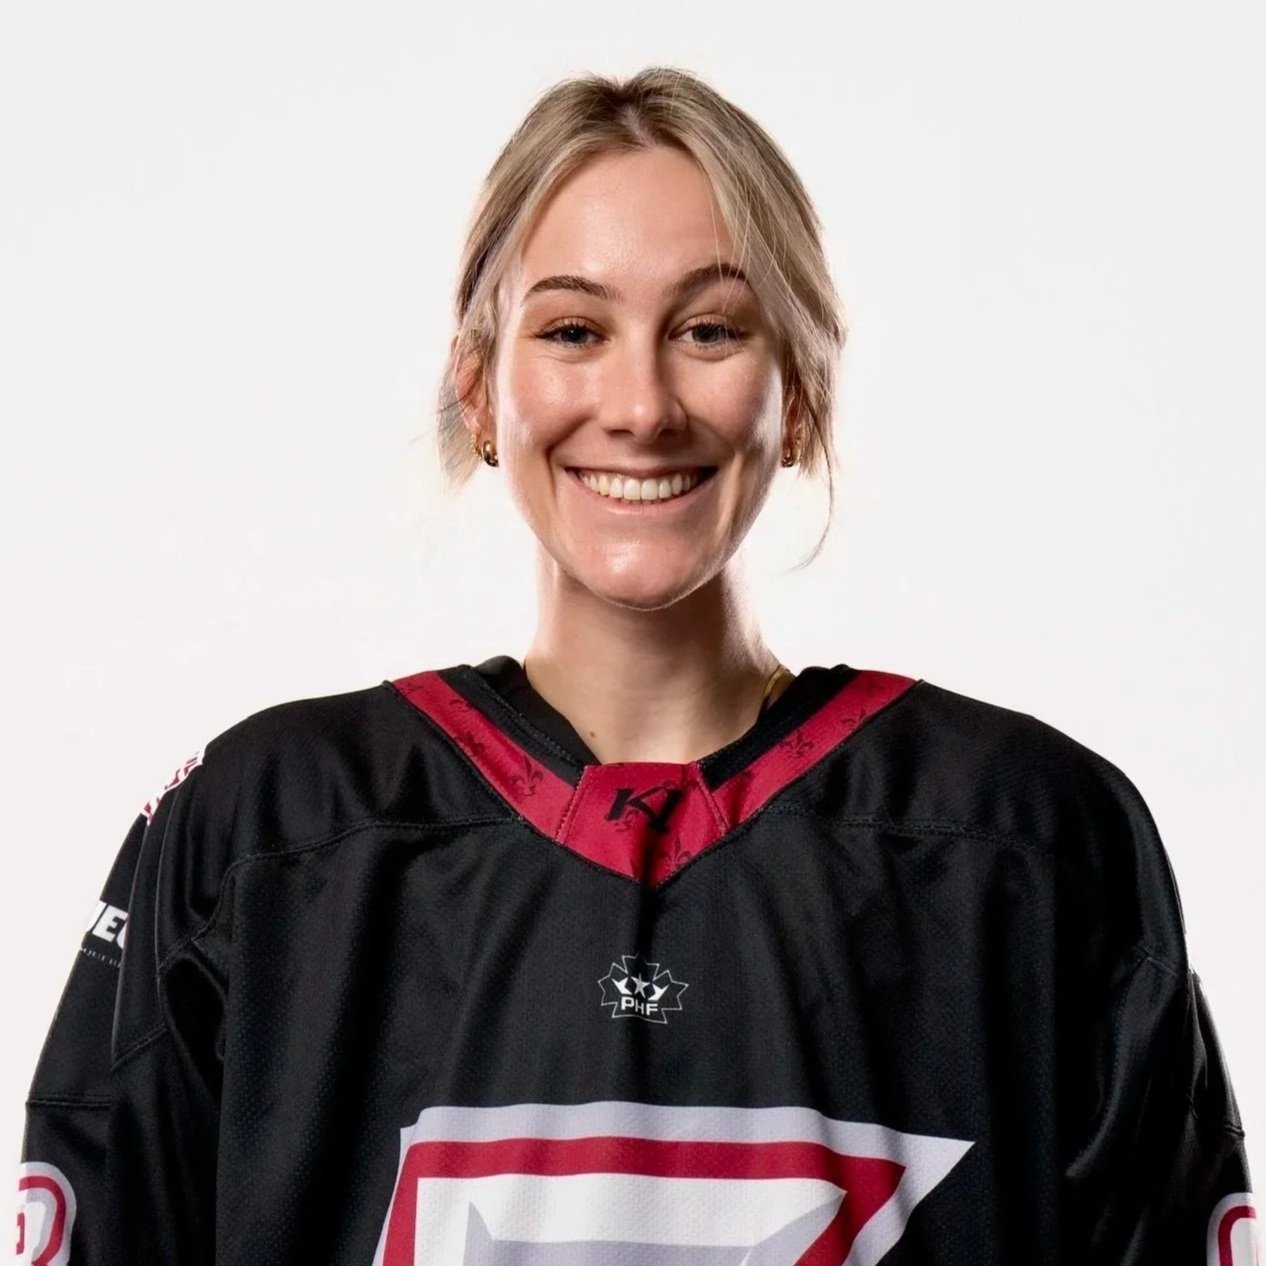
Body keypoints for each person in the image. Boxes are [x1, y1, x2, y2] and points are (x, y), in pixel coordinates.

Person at [14, 67, 1257, 1266]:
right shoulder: (267, 832)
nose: (642, 403)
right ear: (479, 389)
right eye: (572, 329)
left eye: (710, 329)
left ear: (803, 393)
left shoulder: (1032, 840)